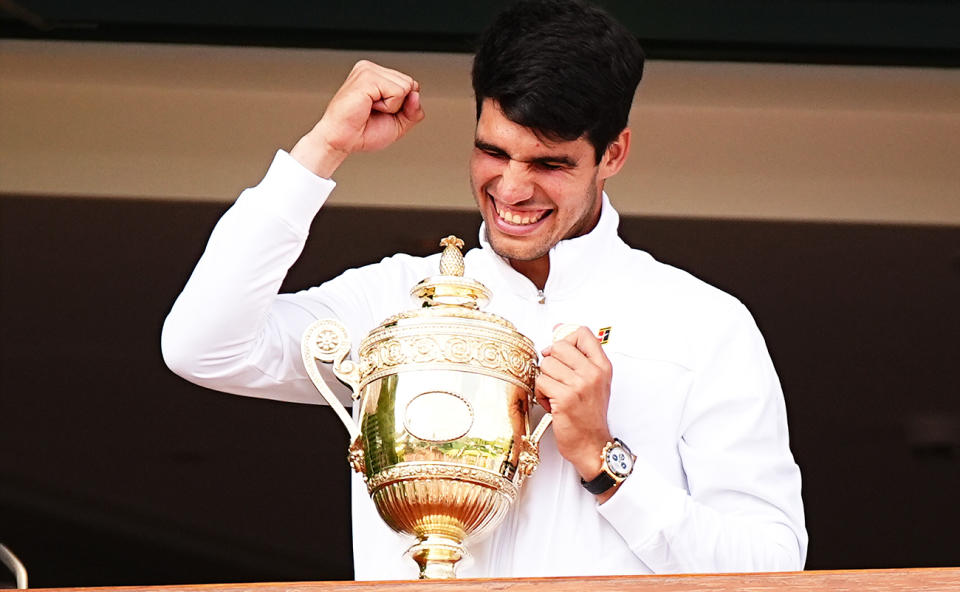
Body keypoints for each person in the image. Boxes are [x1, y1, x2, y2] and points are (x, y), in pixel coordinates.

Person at [161, 0, 807, 580]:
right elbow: (203, 346)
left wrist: (603, 461)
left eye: (549, 163)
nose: (512, 189)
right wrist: (323, 148)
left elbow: (773, 567)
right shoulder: (394, 301)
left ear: (613, 154)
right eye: (492, 152)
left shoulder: (703, 324)